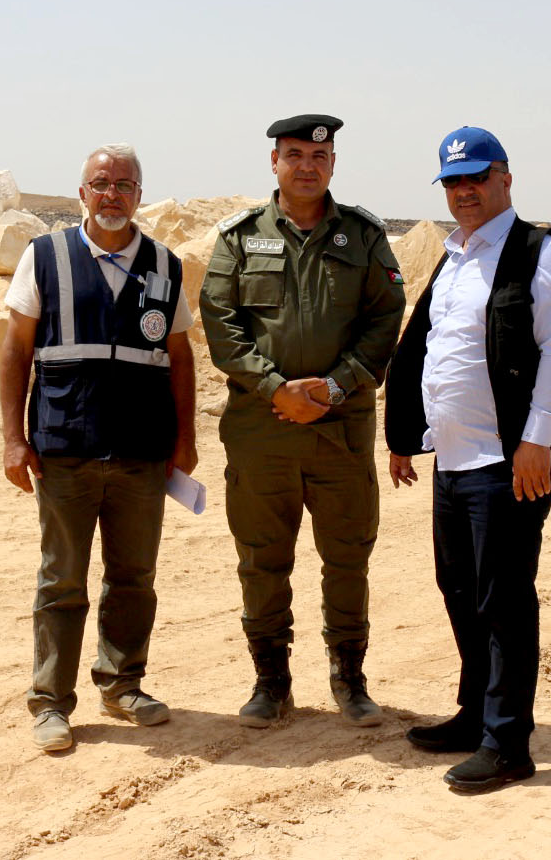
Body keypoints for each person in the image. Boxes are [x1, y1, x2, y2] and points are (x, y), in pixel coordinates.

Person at [386, 125, 551, 793]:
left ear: (505, 178)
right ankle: (476, 713)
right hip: (455, 459)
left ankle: (508, 741)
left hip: (511, 460)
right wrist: (406, 434)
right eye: (453, 181)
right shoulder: (454, 257)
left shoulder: (541, 253)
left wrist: (537, 442)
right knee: (459, 590)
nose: (465, 191)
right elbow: (428, 348)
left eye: (476, 177)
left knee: (503, 599)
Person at [199, 113, 405, 728]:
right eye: (294, 155)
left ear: (333, 163)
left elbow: (385, 317)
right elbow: (221, 324)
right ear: (275, 163)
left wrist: (336, 385)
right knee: (262, 557)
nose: (306, 166)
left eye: (319, 156)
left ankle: (350, 678)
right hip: (262, 430)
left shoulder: (363, 236)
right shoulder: (239, 238)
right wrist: (275, 388)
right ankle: (271, 681)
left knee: (347, 556)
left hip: (340, 429)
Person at [0, 143, 197, 753]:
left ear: (139, 195)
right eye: (101, 183)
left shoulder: (165, 265)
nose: (112, 194)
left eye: (124, 185)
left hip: (142, 452)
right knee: (62, 579)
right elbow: (16, 350)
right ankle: (50, 703)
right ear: (82, 193)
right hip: (65, 448)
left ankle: (122, 684)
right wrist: (13, 440)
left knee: (134, 577)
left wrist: (186, 439)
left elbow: (180, 357)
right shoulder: (45, 257)